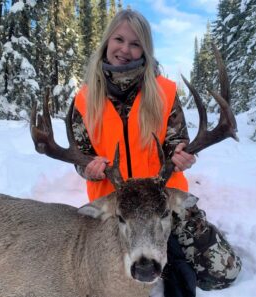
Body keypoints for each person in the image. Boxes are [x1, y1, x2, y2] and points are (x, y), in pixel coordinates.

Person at [72, 8, 241, 296]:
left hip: (165, 198)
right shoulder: (84, 99)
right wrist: (87, 167)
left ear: (145, 50)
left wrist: (182, 155)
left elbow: (178, 142)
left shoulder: (164, 92)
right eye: (119, 40)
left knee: (223, 273)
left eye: (135, 43)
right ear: (107, 42)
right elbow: (81, 153)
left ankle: (170, 254)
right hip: (117, 206)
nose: (125, 49)